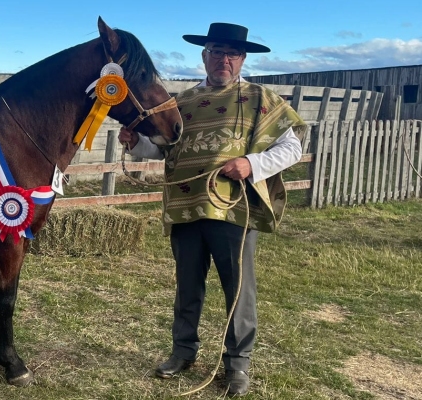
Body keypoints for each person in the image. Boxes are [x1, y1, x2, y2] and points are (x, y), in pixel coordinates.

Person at [120, 22, 306, 397]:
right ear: (204, 56)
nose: (224, 59)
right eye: (217, 51)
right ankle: (182, 352)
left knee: (238, 289)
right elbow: (164, 150)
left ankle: (237, 364)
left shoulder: (260, 99)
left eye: (232, 53)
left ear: (242, 59)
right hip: (186, 206)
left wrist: (252, 164)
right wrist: (137, 142)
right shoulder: (182, 102)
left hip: (233, 209)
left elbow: (292, 148)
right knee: (187, 285)